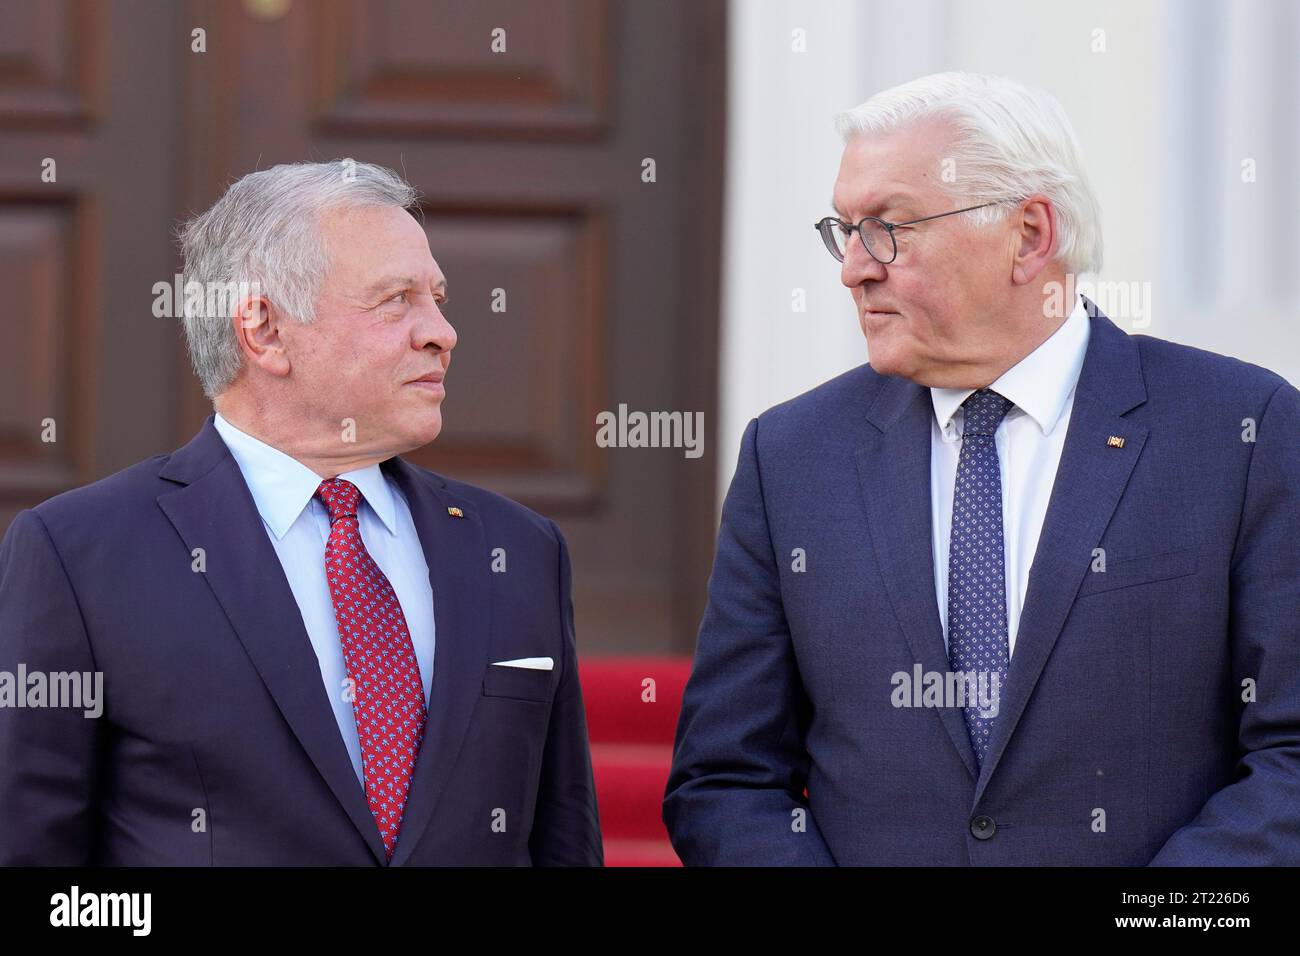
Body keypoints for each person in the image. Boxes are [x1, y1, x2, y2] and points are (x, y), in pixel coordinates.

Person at [663, 72, 1300, 865]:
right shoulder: (791, 457)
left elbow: (1290, 758)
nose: (853, 268)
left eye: (889, 228)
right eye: (845, 230)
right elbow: (726, 780)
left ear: (1030, 235)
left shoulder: (1239, 428)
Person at [0, 160, 603, 866]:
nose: (442, 332)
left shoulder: (520, 549)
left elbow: (563, 841)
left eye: (438, 299)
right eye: (397, 300)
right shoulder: (80, 554)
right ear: (264, 330)